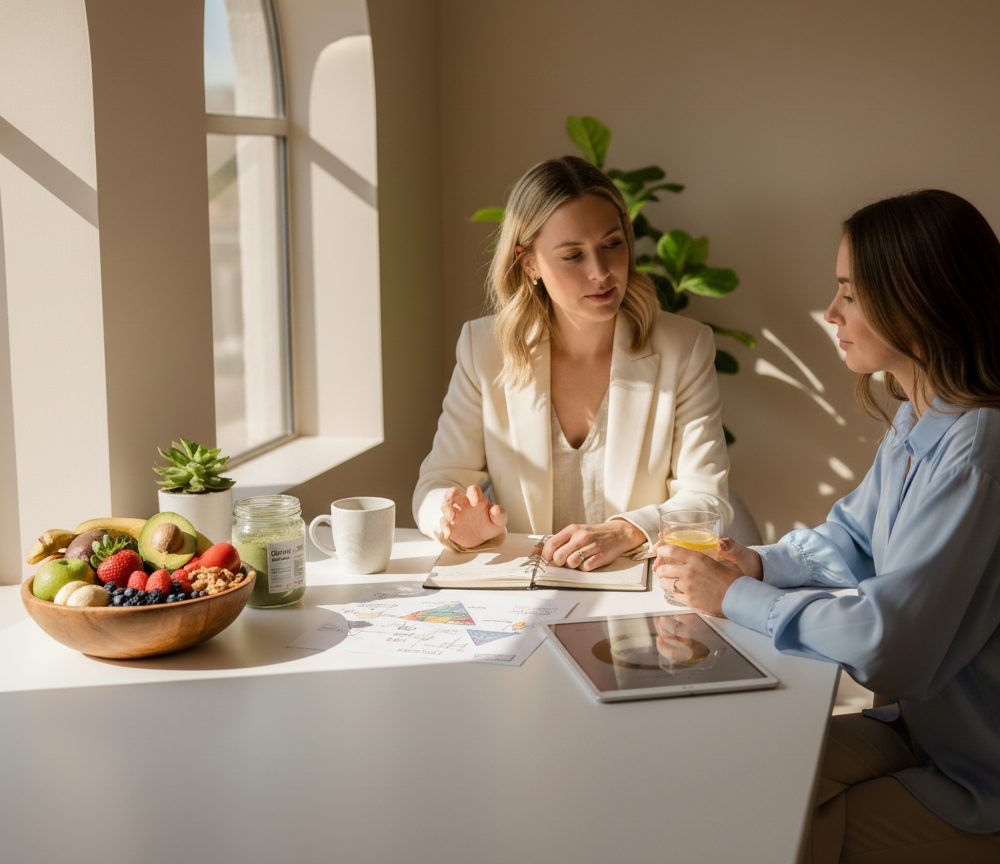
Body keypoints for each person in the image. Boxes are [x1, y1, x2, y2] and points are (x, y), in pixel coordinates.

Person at [655, 189, 1000, 862]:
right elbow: (853, 538)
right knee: (739, 773)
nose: (831, 312)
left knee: (776, 827)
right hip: (918, 729)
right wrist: (751, 563)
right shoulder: (922, 417)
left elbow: (887, 637)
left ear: (917, 298)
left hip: (976, 776)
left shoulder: (978, 450)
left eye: (849, 292)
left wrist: (731, 597)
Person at [413, 155, 732, 568]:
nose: (601, 272)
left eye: (612, 245)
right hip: (526, 594)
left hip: (639, 588)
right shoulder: (483, 348)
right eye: (573, 255)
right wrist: (454, 519)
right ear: (529, 263)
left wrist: (627, 530)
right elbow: (437, 483)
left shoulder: (684, 347)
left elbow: (709, 500)